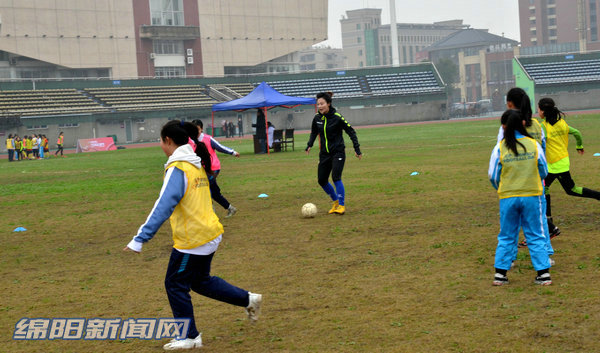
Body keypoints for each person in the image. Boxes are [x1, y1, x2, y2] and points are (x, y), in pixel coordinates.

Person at [124, 120, 262, 351]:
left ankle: (190, 336)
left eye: (160, 140)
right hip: (209, 232)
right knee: (199, 281)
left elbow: (164, 204)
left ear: (168, 141)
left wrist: (140, 238)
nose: (160, 144)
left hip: (194, 239)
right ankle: (248, 300)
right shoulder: (194, 162)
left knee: (175, 284)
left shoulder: (179, 166)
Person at [488, 109, 552, 286]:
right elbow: (544, 169)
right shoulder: (533, 144)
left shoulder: (500, 147)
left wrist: (501, 187)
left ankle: (500, 274)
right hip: (532, 195)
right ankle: (543, 273)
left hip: (508, 196)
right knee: (535, 233)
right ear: (522, 124)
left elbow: (493, 175)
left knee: (507, 234)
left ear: (505, 126)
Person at [538, 97, 600, 236]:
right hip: (562, 162)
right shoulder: (562, 124)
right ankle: (549, 221)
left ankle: (549, 222)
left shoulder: (543, 127)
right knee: (550, 188)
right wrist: (579, 146)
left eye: (538, 109)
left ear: (543, 111)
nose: (538, 111)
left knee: (563, 189)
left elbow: (541, 142)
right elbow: (577, 133)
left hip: (555, 166)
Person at [306, 92, 362, 215]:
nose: (320, 106)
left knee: (336, 177)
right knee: (322, 180)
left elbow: (351, 131)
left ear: (329, 104)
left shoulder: (337, 117)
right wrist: (309, 144)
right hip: (324, 154)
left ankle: (341, 205)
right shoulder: (317, 118)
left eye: (322, 104)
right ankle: (335, 201)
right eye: (318, 104)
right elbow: (314, 132)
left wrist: (357, 149)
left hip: (338, 153)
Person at [192, 119, 240, 218]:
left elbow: (220, 147)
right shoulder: (191, 141)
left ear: (201, 129)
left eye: (197, 129)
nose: (196, 132)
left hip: (213, 168)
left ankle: (211, 213)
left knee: (204, 188)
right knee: (215, 193)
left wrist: (232, 152)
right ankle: (231, 208)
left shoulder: (208, 139)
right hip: (202, 170)